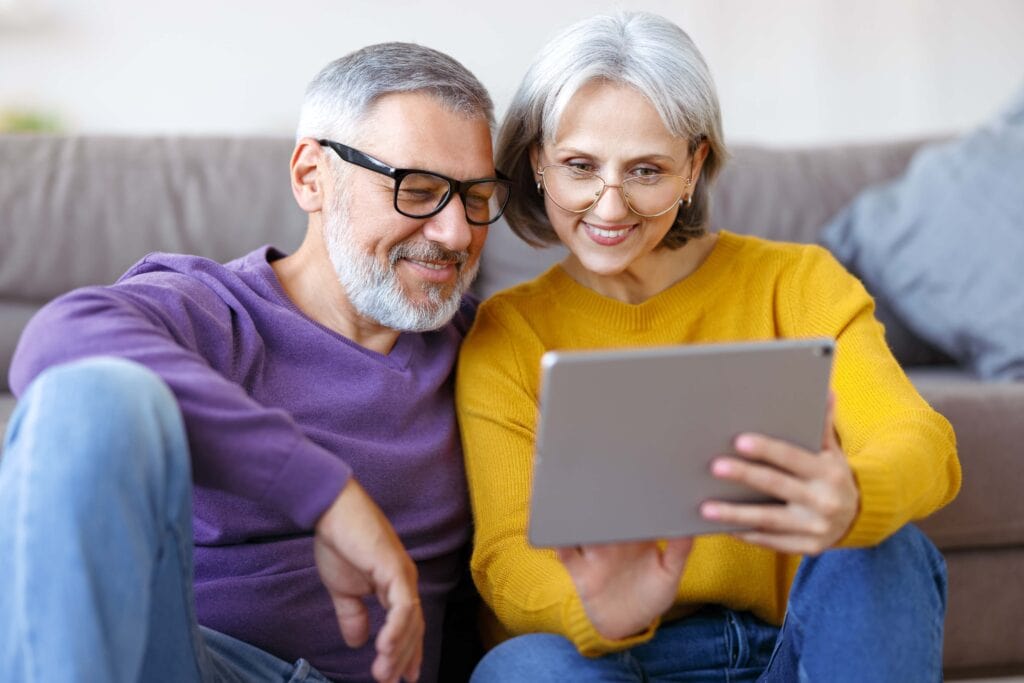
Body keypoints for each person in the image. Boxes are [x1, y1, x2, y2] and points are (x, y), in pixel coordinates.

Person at [456, 12, 960, 682]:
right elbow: (503, 554)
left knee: (886, 545)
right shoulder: (507, 333)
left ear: (693, 166)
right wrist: (598, 608)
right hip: (610, 657)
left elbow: (920, 438)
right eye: (580, 166)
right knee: (527, 670)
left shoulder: (796, 283)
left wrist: (856, 498)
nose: (609, 207)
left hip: (792, 648)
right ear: (538, 163)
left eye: (646, 169)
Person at [0, 42, 510, 683]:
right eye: (419, 189)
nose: (458, 233)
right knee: (90, 399)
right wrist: (324, 494)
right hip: (193, 663)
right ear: (311, 177)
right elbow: (56, 339)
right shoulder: (215, 310)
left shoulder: (491, 348)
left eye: (476, 197)